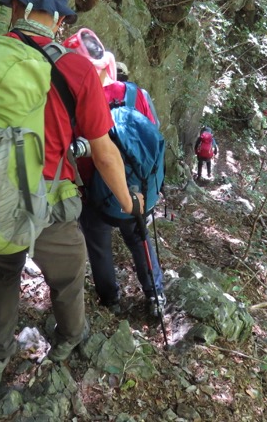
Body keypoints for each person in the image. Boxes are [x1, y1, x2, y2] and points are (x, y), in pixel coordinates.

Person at [0, 0, 144, 390]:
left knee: (2, 273)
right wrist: (129, 204)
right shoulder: (76, 68)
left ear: (15, 6)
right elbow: (104, 152)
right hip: (49, 202)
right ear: (60, 18)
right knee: (69, 277)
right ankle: (69, 339)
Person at [64, 30, 167, 318]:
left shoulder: (76, 106)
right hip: (138, 191)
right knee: (139, 239)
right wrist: (155, 187)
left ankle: (110, 299)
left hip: (96, 196)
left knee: (98, 246)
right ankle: (155, 294)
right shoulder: (138, 95)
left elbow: (77, 158)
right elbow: (154, 140)